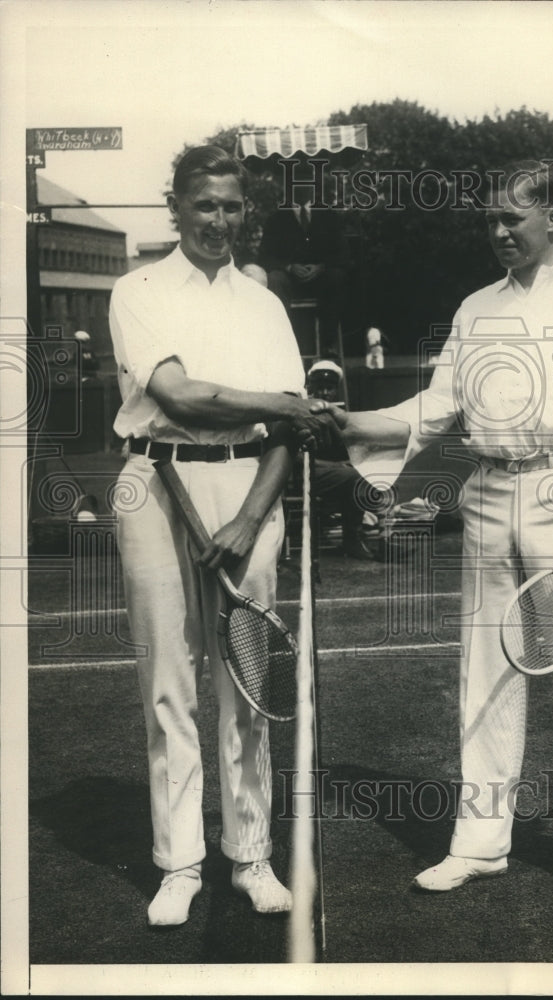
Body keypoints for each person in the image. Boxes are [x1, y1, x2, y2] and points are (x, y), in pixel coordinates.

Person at [329, 160, 553, 897]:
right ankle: (480, 842)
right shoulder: (474, 307)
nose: (498, 231)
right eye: (489, 218)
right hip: (488, 492)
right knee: (483, 670)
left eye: (511, 218)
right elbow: (437, 408)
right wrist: (353, 424)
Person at [109, 145, 337, 927]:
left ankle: (251, 855)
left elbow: (289, 431)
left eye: (231, 206)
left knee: (247, 683)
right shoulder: (136, 290)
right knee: (168, 683)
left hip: (249, 491)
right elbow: (179, 396)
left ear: (247, 213)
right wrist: (282, 403)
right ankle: (179, 863)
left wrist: (247, 519)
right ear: (175, 206)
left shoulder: (265, 305)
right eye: (204, 204)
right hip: (153, 486)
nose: (218, 220)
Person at [258, 163, 349, 356]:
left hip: (321, 281)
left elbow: (342, 253)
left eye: (307, 183)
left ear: (314, 186)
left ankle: (328, 344)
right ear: (288, 187)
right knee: (274, 278)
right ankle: (281, 342)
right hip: (289, 282)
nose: (302, 188)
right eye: (296, 183)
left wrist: (321, 267)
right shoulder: (276, 220)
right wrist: (289, 267)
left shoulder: (328, 217)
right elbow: (264, 257)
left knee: (337, 277)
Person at [305, 359, 375, 561]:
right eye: (320, 388)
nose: (325, 393)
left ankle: (379, 534)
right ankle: (353, 540)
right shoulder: (304, 411)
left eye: (330, 388)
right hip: (303, 472)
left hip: (326, 472)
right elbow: (297, 457)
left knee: (368, 469)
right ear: (311, 388)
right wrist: (338, 465)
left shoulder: (336, 413)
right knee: (354, 477)